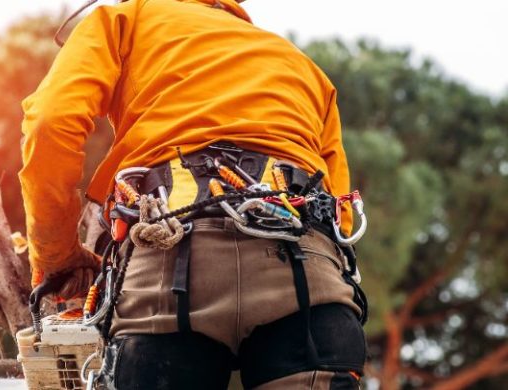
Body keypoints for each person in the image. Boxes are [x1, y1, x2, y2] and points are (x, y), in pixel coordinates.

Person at [19, 0, 368, 389]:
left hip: (171, 273)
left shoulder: (125, 20)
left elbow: (50, 123)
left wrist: (57, 256)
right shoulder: (301, 65)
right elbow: (342, 217)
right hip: (306, 278)